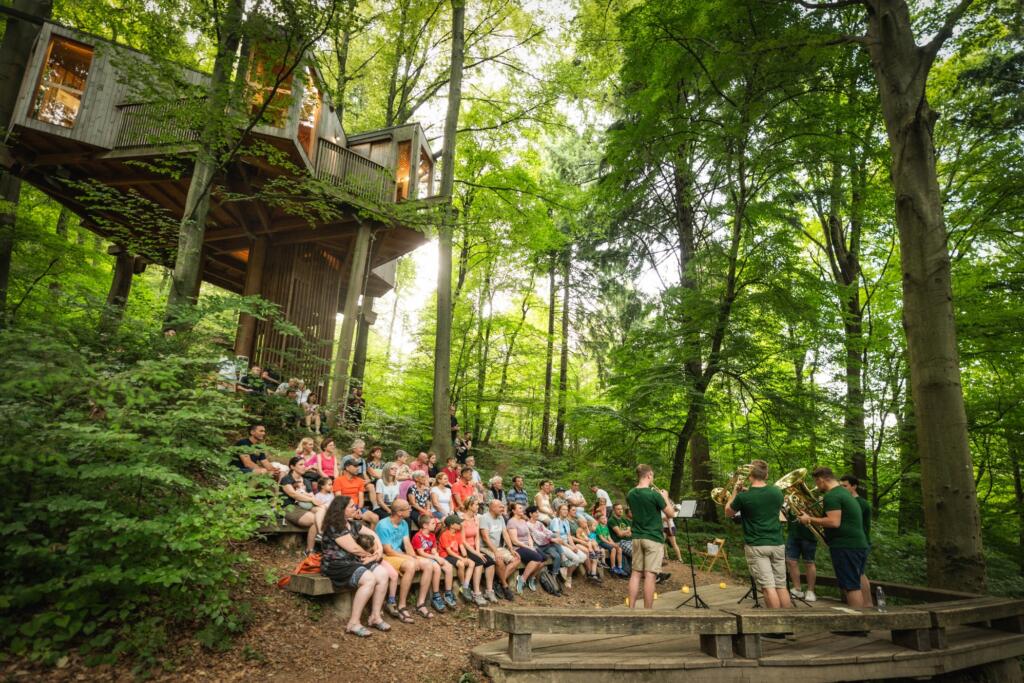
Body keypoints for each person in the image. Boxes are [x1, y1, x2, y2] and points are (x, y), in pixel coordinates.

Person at [319, 495, 393, 636]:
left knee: (383, 574)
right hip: (336, 565)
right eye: (352, 506)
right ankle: (353, 623)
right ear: (341, 509)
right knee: (369, 579)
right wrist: (371, 556)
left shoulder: (352, 524)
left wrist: (379, 550)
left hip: (353, 561)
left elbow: (372, 533)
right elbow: (353, 548)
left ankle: (375, 616)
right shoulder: (335, 526)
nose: (356, 508)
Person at [724, 459, 792, 610]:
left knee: (768, 587)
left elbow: (728, 511)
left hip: (757, 545)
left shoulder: (743, 497)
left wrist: (735, 492)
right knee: (781, 585)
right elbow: (763, 500)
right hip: (777, 544)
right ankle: (789, 620)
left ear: (750, 476)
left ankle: (776, 624)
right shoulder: (777, 492)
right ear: (766, 475)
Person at [798, 467, 869, 608]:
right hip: (857, 544)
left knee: (850, 586)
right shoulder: (844, 492)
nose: (816, 486)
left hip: (845, 546)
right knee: (858, 579)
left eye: (816, 482)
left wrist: (809, 519)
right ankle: (868, 611)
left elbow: (834, 522)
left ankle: (857, 620)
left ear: (821, 479)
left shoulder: (832, 496)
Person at [375, 499, 439, 620]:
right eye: (407, 508)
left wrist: (414, 556)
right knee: (410, 565)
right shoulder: (383, 525)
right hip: (386, 557)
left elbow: (407, 543)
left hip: (399, 554)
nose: (410, 509)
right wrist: (410, 559)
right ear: (399, 512)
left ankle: (420, 604)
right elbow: (388, 551)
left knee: (428, 564)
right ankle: (402, 605)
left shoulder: (404, 523)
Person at [626, 464, 675, 609]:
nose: (653, 478)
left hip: (637, 537)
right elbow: (671, 514)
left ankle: (631, 609)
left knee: (635, 573)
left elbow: (636, 512)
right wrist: (665, 497)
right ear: (649, 475)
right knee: (650, 575)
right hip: (653, 537)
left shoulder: (630, 493)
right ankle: (648, 612)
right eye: (652, 475)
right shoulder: (654, 495)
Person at [280, 456, 327, 554]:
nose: (304, 466)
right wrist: (311, 499)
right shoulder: (287, 479)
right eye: (300, 464)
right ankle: (310, 549)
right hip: (290, 507)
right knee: (315, 520)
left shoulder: (306, 481)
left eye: (304, 464)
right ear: (292, 467)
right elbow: (293, 494)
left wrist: (313, 499)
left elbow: (311, 495)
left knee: (322, 509)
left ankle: (319, 535)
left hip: (305, 506)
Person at [840, 474, 873, 606]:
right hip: (856, 543)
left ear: (854, 486)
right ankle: (865, 604)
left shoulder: (860, 503)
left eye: (845, 486)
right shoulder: (849, 501)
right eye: (840, 486)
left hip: (859, 543)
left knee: (858, 574)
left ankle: (866, 604)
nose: (842, 489)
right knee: (859, 573)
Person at [478, 499, 522, 601]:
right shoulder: (484, 518)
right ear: (492, 508)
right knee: (499, 560)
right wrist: (495, 551)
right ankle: (505, 586)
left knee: (516, 559)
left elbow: (505, 534)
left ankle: (498, 582)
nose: (503, 509)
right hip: (486, 547)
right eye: (500, 507)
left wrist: (511, 548)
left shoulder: (500, 517)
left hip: (498, 547)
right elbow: (485, 538)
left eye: (503, 507)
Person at [411, 515, 457, 611]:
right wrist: (436, 558)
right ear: (425, 525)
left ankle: (448, 593)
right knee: (437, 567)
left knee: (448, 566)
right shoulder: (417, 536)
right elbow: (421, 553)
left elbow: (434, 549)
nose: (435, 525)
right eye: (432, 523)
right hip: (423, 558)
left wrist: (437, 556)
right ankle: (436, 596)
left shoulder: (432, 535)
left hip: (432, 557)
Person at [460, 496, 497, 603]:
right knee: (479, 561)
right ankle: (476, 593)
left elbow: (476, 538)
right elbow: (463, 541)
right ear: (470, 506)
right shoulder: (462, 519)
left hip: (474, 548)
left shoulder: (476, 519)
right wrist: (476, 554)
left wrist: (477, 551)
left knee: (490, 562)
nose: (478, 506)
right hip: (465, 549)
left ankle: (489, 591)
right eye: (476, 504)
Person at [439, 515, 481, 604]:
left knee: (472, 563)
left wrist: (465, 557)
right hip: (445, 556)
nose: (460, 524)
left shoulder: (457, 534)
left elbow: (461, 546)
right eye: (458, 523)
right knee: (461, 564)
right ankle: (462, 584)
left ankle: (466, 585)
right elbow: (449, 551)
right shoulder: (445, 534)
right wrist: (461, 558)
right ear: (451, 525)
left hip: (456, 555)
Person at [505, 502, 546, 594]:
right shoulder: (511, 522)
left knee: (544, 558)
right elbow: (514, 541)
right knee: (537, 558)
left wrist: (531, 546)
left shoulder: (523, 521)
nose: (522, 509)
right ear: (514, 511)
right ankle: (522, 579)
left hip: (528, 546)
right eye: (519, 508)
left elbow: (528, 536)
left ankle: (531, 577)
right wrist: (528, 547)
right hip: (518, 547)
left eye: (522, 508)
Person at [549, 504, 590, 587]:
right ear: (559, 511)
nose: (566, 511)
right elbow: (558, 538)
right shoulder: (555, 520)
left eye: (566, 509)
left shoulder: (566, 521)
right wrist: (570, 547)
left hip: (567, 544)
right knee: (576, 559)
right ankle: (568, 578)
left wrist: (573, 546)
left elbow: (569, 536)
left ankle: (565, 568)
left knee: (583, 557)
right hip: (558, 545)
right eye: (563, 509)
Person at [332, 455, 378, 527]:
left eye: (358, 466)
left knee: (375, 518)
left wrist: (358, 509)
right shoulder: (338, 480)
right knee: (351, 521)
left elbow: (361, 498)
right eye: (355, 466)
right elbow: (339, 499)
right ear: (347, 468)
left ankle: (371, 534)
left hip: (356, 507)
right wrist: (350, 511)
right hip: (344, 508)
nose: (358, 468)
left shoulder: (359, 481)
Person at [785, 507, 818, 602]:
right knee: (791, 561)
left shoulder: (810, 502)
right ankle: (797, 589)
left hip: (809, 535)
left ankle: (810, 591)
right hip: (793, 534)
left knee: (809, 562)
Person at [595, 512, 624, 576]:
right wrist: (611, 544)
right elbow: (602, 538)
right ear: (599, 520)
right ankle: (613, 567)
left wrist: (613, 543)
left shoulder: (606, 527)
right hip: (601, 542)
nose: (604, 520)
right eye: (602, 519)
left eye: (605, 518)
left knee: (619, 549)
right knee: (613, 549)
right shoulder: (598, 527)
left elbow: (609, 537)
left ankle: (620, 567)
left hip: (607, 542)